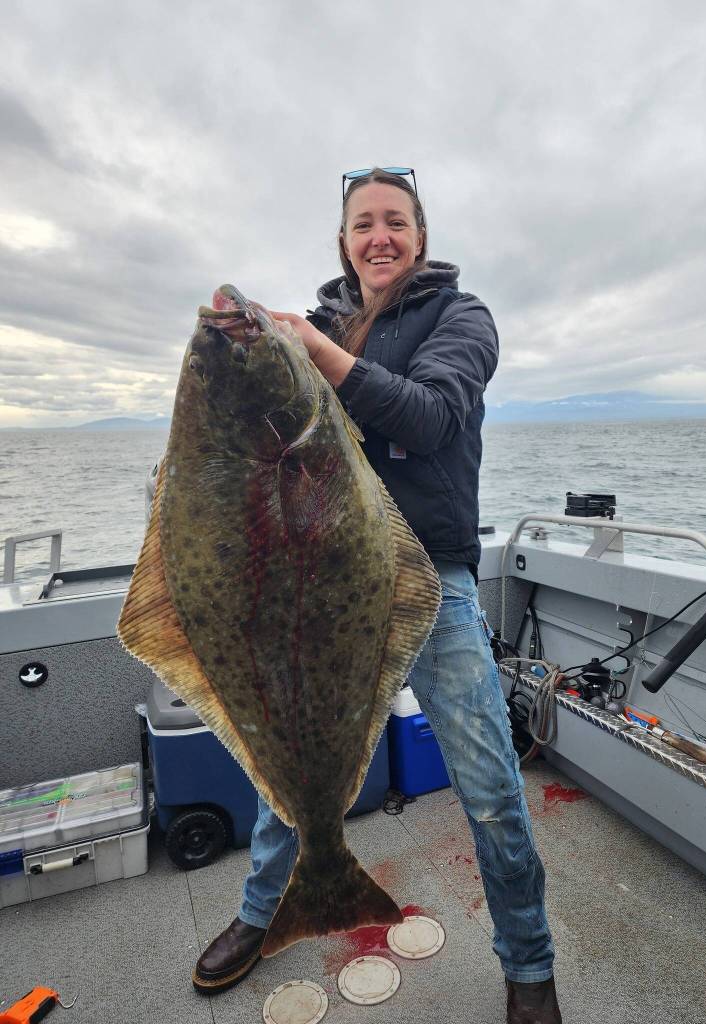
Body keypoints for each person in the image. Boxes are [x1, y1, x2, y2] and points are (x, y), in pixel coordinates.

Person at [192, 167, 562, 1024]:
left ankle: (530, 963)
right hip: (318, 583)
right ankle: (262, 915)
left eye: (395, 222)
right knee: (290, 764)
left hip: (432, 583)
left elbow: (431, 415)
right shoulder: (313, 326)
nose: (379, 237)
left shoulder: (460, 319)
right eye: (363, 224)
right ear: (345, 240)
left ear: (420, 236)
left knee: (491, 785)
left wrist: (322, 357)